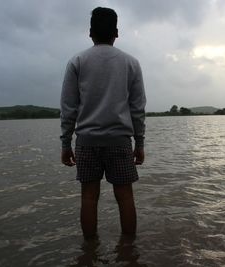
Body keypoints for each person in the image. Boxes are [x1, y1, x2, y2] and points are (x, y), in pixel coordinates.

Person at [60, 7, 146, 239]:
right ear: (116, 32)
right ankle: (129, 252)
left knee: (89, 197)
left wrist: (65, 144)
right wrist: (140, 143)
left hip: (86, 142)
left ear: (90, 33)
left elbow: (68, 108)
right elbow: (137, 109)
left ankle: (89, 251)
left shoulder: (77, 61)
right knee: (125, 196)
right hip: (119, 142)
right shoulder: (131, 63)